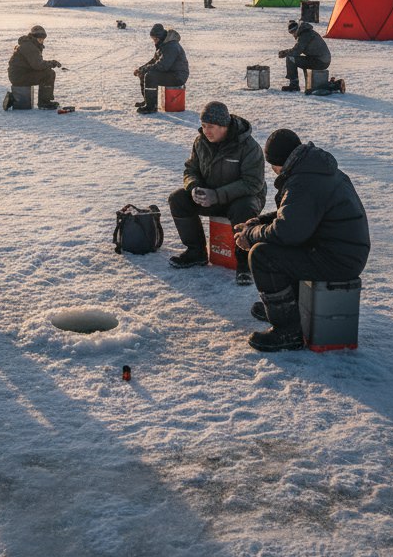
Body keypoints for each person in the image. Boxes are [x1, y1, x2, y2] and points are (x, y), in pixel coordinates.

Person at [235, 129, 370, 352]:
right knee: (276, 246)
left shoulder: (303, 181)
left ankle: (288, 330)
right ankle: (286, 307)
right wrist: (256, 222)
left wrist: (251, 236)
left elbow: (288, 232)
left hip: (337, 260)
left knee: (263, 255)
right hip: (340, 252)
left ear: (278, 162)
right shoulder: (312, 170)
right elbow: (294, 217)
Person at [167, 101, 266, 285]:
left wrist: (217, 195)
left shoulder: (248, 146)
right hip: (211, 197)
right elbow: (190, 170)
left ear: (224, 126)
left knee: (244, 207)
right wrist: (194, 187)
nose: (206, 131)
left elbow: (253, 183)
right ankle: (196, 252)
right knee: (178, 199)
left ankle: (245, 263)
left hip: (242, 199)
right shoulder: (200, 142)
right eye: (203, 126)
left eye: (210, 127)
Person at [133, 22, 189, 114]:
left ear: (160, 37)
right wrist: (141, 69)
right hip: (170, 73)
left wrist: (146, 69)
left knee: (150, 76)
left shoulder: (171, 46)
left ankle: (151, 106)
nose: (154, 41)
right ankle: (148, 101)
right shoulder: (163, 45)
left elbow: (162, 66)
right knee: (144, 73)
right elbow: (154, 61)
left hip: (178, 76)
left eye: (155, 39)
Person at [5, 25, 61, 109]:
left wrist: (49, 63)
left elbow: (36, 64)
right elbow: (38, 65)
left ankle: (15, 98)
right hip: (19, 77)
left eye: (42, 39)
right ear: (33, 38)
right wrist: (51, 63)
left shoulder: (29, 45)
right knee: (48, 74)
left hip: (19, 75)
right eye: (39, 39)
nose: (41, 41)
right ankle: (44, 103)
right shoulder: (30, 47)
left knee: (47, 72)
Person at [278, 18, 331, 92]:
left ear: (296, 30)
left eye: (292, 32)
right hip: (321, 60)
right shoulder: (306, 31)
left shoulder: (305, 34)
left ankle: (294, 85)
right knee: (304, 61)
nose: (293, 35)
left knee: (290, 58)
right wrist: (286, 51)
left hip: (320, 61)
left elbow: (296, 51)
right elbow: (297, 49)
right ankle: (309, 84)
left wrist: (285, 53)